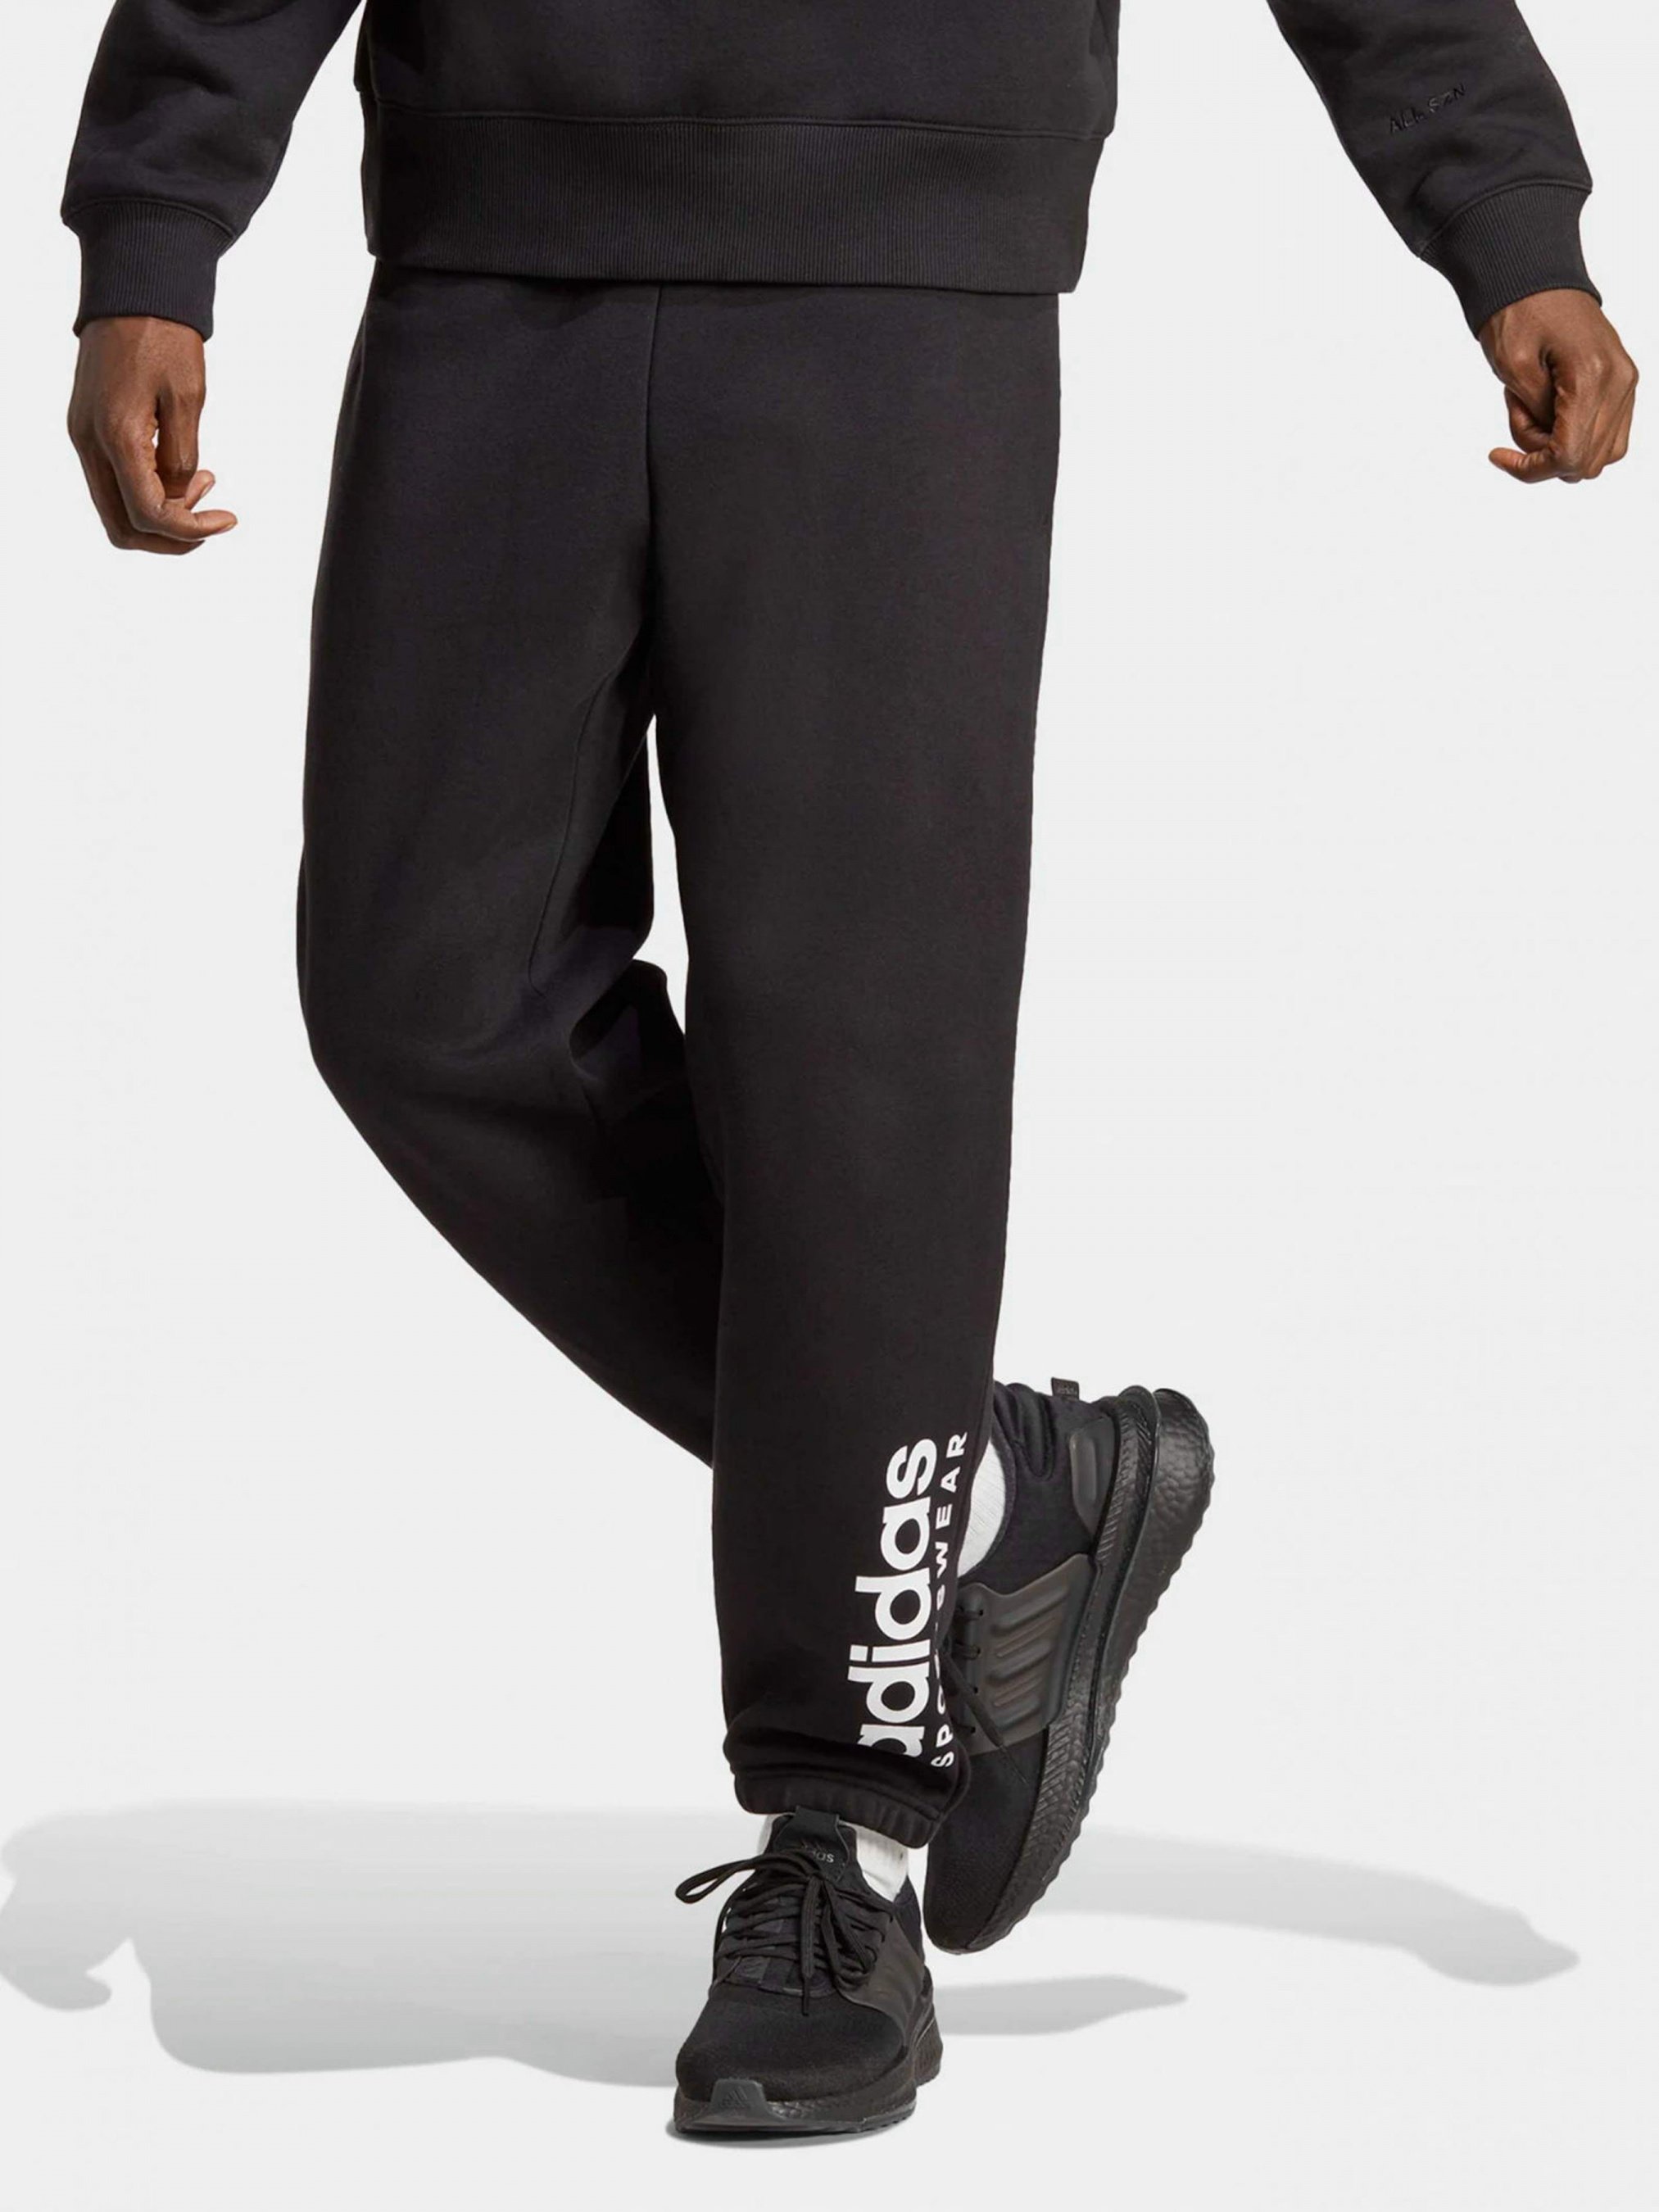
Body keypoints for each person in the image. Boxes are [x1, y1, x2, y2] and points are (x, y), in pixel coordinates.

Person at [61, 0, 1634, 2140]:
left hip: (905, 258)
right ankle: (969, 1495)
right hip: (491, 243)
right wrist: (156, 225)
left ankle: (852, 1839)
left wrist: (1503, 215)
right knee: (420, 991)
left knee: (853, 1055)